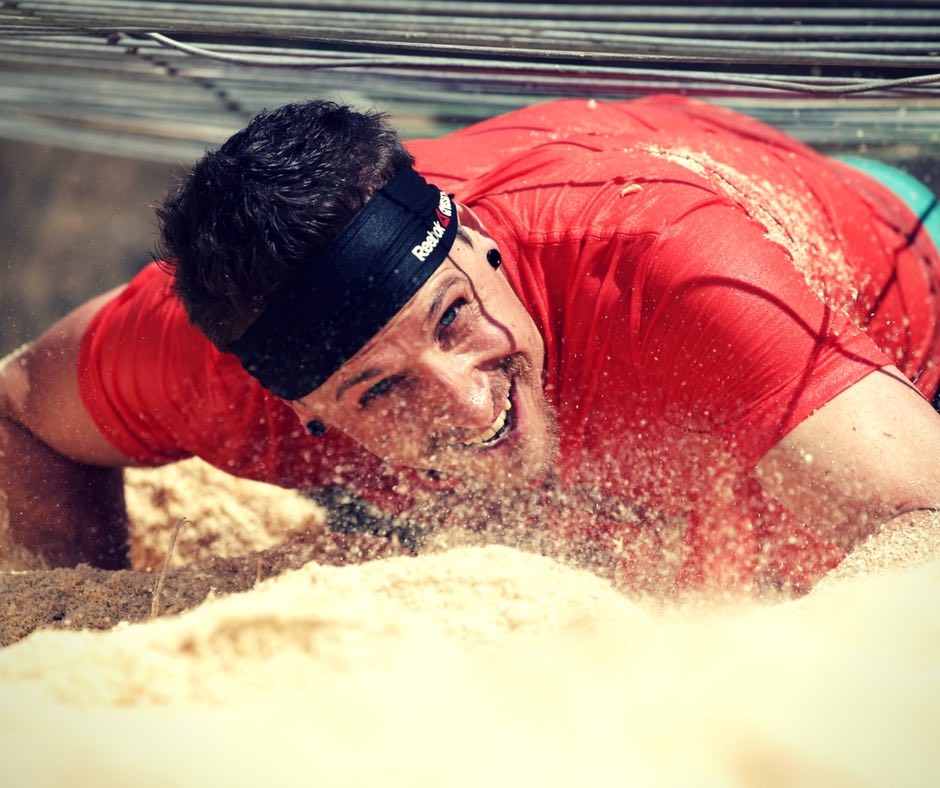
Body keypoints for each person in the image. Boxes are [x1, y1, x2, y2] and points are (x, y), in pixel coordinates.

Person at [1, 95, 939, 593]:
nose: (465, 402)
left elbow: (920, 534)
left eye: (452, 318)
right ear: (293, 406)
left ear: (481, 247)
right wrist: (90, 602)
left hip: (891, 238)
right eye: (377, 390)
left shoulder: (669, 274)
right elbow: (21, 409)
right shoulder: (192, 362)